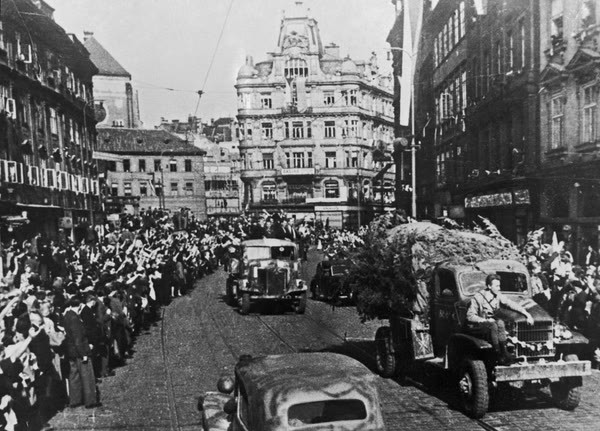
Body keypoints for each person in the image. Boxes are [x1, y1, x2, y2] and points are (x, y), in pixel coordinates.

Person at [465, 274, 534, 365]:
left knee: (501, 323)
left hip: (493, 322)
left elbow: (511, 304)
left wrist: (526, 313)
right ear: (489, 286)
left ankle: (504, 352)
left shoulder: (498, 295)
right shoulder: (478, 297)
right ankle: (497, 353)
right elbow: (470, 316)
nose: (499, 288)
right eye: (497, 286)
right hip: (480, 325)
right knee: (493, 326)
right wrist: (484, 320)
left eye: (499, 285)